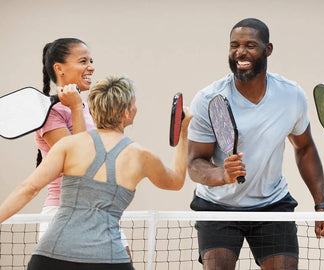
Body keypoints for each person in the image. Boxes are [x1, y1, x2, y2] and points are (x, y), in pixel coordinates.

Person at [187, 18, 324, 270]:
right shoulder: (209, 98)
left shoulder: (291, 95)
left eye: (250, 45)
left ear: (268, 50)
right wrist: (222, 174)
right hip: (218, 206)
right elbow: (194, 163)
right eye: (234, 45)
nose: (240, 52)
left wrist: (321, 204)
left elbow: (305, 148)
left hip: (272, 204)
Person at [0, 75, 191, 269]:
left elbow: (29, 188)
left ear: (91, 110)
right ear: (126, 113)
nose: (136, 109)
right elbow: (176, 182)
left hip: (52, 256)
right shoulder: (141, 156)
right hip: (107, 259)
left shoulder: (69, 145)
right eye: (134, 104)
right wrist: (184, 133)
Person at [36, 38, 133, 256]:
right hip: (62, 213)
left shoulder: (88, 108)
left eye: (91, 60)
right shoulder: (51, 114)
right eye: (83, 61)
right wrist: (75, 108)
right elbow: (78, 162)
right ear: (59, 68)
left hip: (100, 210)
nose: (91, 66)